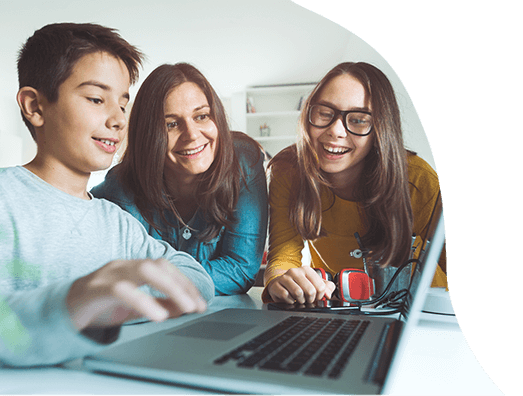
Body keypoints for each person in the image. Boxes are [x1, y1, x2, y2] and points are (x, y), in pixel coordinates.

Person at [0, 23, 214, 367]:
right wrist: (74, 302)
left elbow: (197, 279)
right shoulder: (6, 199)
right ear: (35, 106)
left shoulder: (116, 222)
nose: (117, 119)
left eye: (123, 104)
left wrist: (113, 303)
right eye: (97, 99)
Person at [262, 62, 446, 304]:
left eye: (358, 120)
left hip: (421, 308)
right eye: (325, 114)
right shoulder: (289, 170)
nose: (336, 131)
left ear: (380, 129)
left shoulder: (417, 178)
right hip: (342, 307)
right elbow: (283, 256)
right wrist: (280, 281)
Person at [91, 63, 268, 296]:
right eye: (171, 124)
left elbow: (240, 270)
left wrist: (155, 279)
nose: (192, 134)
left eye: (202, 116)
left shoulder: (243, 161)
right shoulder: (120, 189)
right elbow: (120, 276)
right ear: (148, 136)